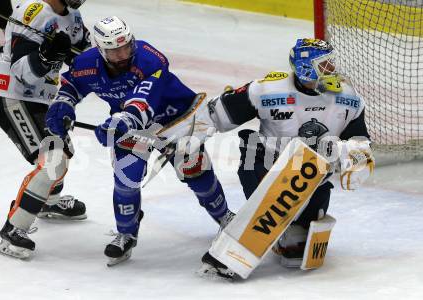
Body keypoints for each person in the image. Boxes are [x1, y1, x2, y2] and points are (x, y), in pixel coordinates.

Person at [167, 38, 374, 279]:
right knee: (252, 147)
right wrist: (187, 135)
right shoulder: (267, 89)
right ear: (306, 68)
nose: (331, 69)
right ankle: (248, 233)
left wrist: (357, 157)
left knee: (296, 248)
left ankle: (288, 225)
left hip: (310, 173)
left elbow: (359, 139)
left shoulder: (348, 97)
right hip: (266, 165)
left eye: (330, 63)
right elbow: (217, 114)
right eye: (324, 64)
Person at [45, 16, 234, 265]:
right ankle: (126, 233)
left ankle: (226, 219)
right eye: (115, 51)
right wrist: (63, 104)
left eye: (127, 46)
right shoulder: (87, 63)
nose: (123, 54)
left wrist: (120, 123)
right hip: (128, 123)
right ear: (101, 51)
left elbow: (142, 101)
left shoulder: (149, 59)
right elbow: (72, 84)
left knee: (193, 167)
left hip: (174, 119)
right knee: (126, 177)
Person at [0, 0, 91, 259]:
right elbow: (22, 72)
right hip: (12, 97)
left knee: (62, 149)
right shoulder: (31, 12)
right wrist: (46, 55)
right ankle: (13, 231)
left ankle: (48, 201)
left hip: (43, 99)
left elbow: (87, 60)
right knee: (53, 160)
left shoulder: (74, 18)